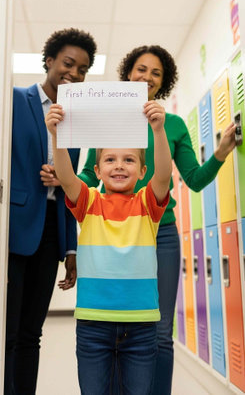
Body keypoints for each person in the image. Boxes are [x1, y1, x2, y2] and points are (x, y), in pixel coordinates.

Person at [78, 45, 237, 395]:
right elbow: (91, 179)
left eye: (155, 73)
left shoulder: (174, 124)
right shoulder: (110, 119)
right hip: (112, 232)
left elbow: (193, 179)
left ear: (163, 83)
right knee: (116, 329)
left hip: (160, 232)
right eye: (140, 69)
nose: (146, 77)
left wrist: (222, 152)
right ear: (128, 73)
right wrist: (66, 182)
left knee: (160, 331)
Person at [45, 98, 172, 395]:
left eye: (129, 160)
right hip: (93, 324)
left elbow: (164, 175)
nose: (119, 166)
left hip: (141, 326)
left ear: (142, 171)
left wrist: (158, 130)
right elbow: (66, 177)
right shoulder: (88, 202)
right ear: (98, 170)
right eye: (110, 160)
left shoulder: (147, 204)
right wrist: (56, 135)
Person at [4, 28, 97, 395]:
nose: (73, 74)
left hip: (50, 231)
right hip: (13, 230)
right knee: (7, 330)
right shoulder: (12, 100)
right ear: (50, 62)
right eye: (68, 64)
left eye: (82, 69)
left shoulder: (75, 120)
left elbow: (70, 187)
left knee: (31, 333)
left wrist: (71, 249)